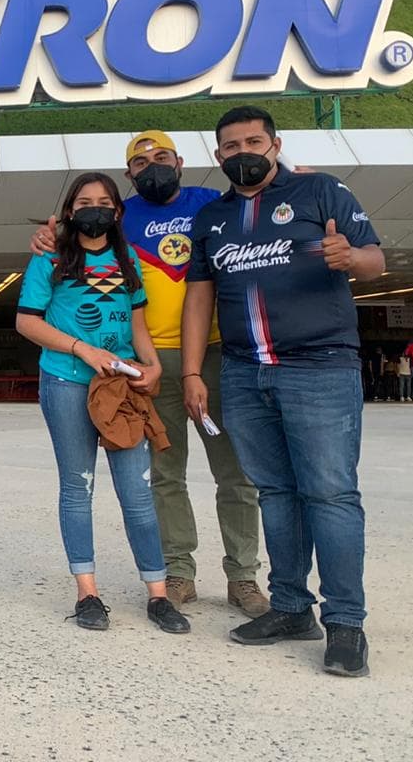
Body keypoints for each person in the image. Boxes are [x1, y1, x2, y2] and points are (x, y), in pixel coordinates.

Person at [182, 105, 384, 678]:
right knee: (274, 492)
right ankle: (292, 607)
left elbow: (375, 257)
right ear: (218, 156)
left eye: (253, 141)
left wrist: (352, 258)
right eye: (231, 146)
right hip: (245, 373)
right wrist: (193, 372)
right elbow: (200, 297)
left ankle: (346, 623)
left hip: (319, 367)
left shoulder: (322, 191)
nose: (243, 152)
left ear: (274, 145)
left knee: (331, 494)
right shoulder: (213, 217)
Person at [30, 128, 266, 616]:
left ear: (180, 161)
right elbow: (67, 260)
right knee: (163, 471)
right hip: (143, 365)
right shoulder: (121, 221)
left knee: (235, 470)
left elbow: (260, 198)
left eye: (162, 157)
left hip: (216, 354)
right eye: (141, 163)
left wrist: (295, 183)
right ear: (128, 176)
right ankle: (177, 571)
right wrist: (47, 236)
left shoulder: (211, 203)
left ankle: (243, 576)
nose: (153, 167)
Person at [16, 171, 188, 635]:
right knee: (78, 487)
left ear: (118, 211)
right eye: (85, 201)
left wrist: (152, 365)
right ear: (70, 210)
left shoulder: (127, 257)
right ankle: (87, 593)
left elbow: (138, 324)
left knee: (137, 492)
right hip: (67, 382)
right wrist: (83, 349)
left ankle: (158, 595)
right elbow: (27, 322)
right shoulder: (51, 256)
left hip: (121, 390)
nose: (96, 208)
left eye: (105, 201)